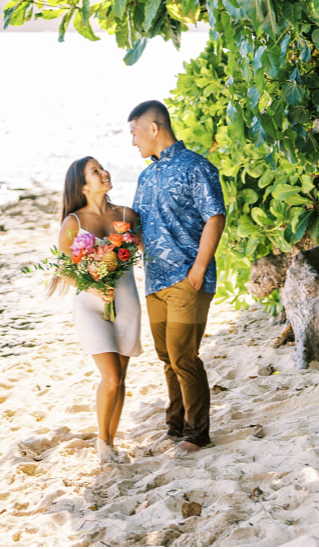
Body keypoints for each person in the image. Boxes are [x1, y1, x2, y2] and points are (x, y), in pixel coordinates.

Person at [128, 100, 226, 456]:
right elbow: (138, 226)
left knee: (184, 355)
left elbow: (215, 216)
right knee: (166, 356)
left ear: (153, 128)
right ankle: (175, 424)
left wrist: (199, 268)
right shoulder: (146, 176)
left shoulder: (197, 167)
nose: (134, 142)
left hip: (188, 277)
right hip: (155, 281)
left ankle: (197, 434)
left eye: (135, 133)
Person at [50, 156, 142, 464]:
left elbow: (149, 245)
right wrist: (94, 287)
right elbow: (63, 269)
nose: (105, 173)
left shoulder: (128, 214)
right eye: (96, 171)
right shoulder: (73, 223)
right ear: (83, 185)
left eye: (103, 168)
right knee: (112, 377)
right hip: (91, 306)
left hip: (126, 300)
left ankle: (111, 443)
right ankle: (103, 444)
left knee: (122, 378)